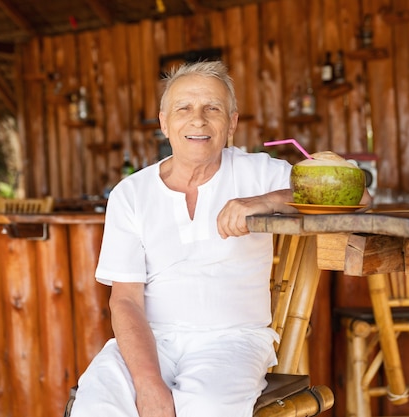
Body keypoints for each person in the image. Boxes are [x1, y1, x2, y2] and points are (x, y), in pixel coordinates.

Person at [70, 60, 300, 417]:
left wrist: (265, 202)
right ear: (164, 122)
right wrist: (147, 384)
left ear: (232, 122)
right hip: (150, 340)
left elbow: (357, 196)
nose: (198, 120)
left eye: (212, 108)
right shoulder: (130, 194)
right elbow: (126, 301)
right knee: (96, 405)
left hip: (233, 341)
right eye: (184, 108)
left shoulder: (260, 174)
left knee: (206, 407)